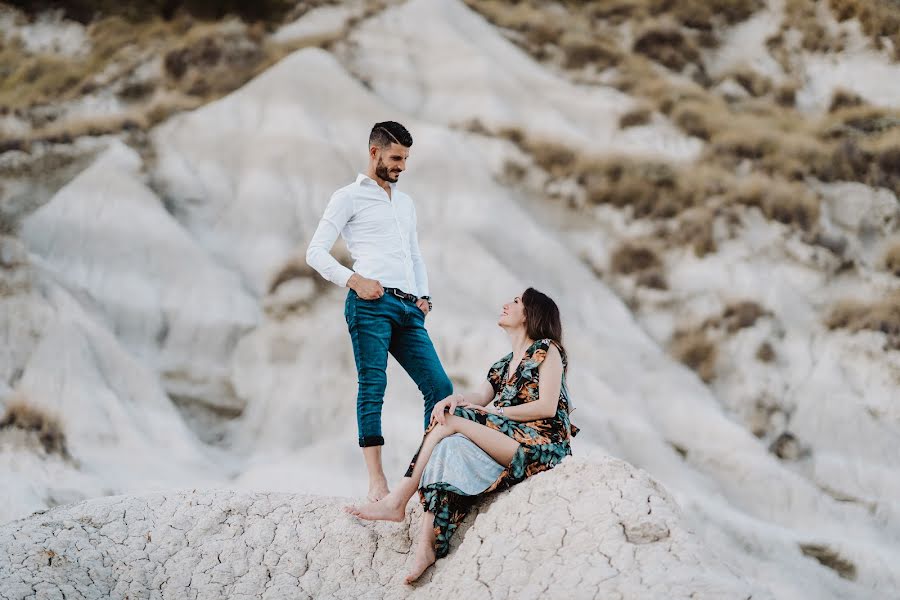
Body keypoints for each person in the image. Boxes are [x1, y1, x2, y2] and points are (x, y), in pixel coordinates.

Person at [346, 288, 578, 584]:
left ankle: (398, 499)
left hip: (544, 447)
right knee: (450, 445)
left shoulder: (548, 349)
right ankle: (426, 547)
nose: (506, 304)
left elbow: (546, 406)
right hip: (511, 443)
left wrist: (496, 415)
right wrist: (454, 399)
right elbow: (480, 397)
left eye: (516, 301)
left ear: (531, 314)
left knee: (454, 420)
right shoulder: (503, 364)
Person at [306, 121, 453, 502]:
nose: (402, 165)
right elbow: (315, 252)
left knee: (440, 388)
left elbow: (414, 254)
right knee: (374, 387)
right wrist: (354, 281)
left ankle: (424, 476)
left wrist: (425, 298)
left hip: (409, 309)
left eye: (405, 159)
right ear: (374, 153)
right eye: (395, 158)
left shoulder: (405, 203)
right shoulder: (347, 197)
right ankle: (376, 481)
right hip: (370, 305)